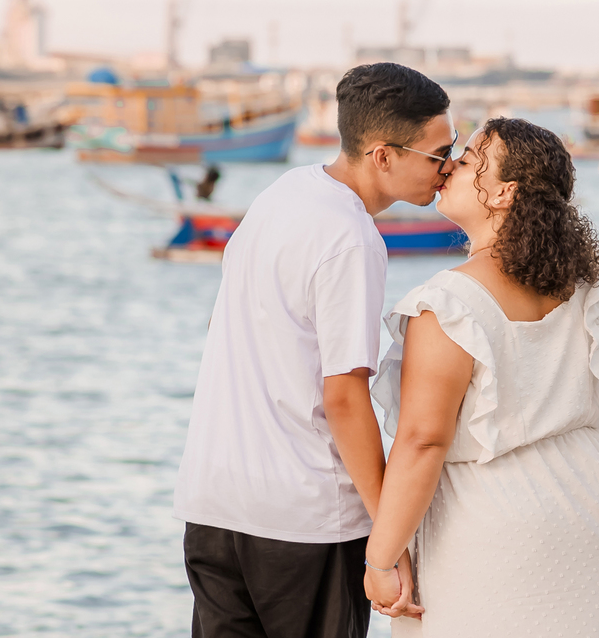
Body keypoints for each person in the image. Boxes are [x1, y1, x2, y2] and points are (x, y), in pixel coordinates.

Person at [174, 62, 459, 638]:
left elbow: (221, 323)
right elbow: (345, 397)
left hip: (213, 501)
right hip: (304, 519)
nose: (449, 166)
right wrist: (388, 539)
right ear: (384, 155)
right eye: (438, 153)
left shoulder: (282, 194)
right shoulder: (352, 239)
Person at [365, 117, 599, 637]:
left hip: (500, 532)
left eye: (472, 158)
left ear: (504, 193)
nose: (451, 164)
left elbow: (422, 439)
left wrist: (382, 558)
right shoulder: (591, 291)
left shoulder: (450, 304)